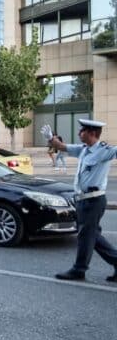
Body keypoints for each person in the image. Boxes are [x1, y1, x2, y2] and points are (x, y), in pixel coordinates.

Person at [42, 120, 117, 282]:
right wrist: (50, 138)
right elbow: (62, 147)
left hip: (94, 200)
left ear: (92, 133)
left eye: (82, 130)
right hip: (82, 201)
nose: (79, 133)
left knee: (85, 236)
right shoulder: (83, 149)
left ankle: (79, 270)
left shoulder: (104, 150)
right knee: (92, 236)